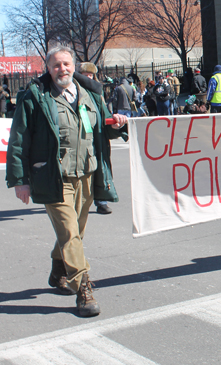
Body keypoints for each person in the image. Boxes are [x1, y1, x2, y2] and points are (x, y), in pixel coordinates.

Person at [6, 45, 128, 317]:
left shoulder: (90, 94)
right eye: (56, 65)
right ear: (48, 69)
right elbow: (19, 139)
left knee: (75, 232)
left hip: (86, 173)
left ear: (74, 66)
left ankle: (58, 269)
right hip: (53, 177)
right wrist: (19, 180)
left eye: (66, 64)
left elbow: (98, 129)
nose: (62, 69)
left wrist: (116, 125)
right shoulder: (35, 97)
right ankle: (83, 288)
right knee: (70, 233)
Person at [78, 62, 114, 215]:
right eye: (85, 74)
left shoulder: (97, 91)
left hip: (97, 133)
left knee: (100, 166)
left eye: (90, 75)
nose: (88, 77)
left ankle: (101, 201)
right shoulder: (75, 90)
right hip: (81, 134)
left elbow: (104, 111)